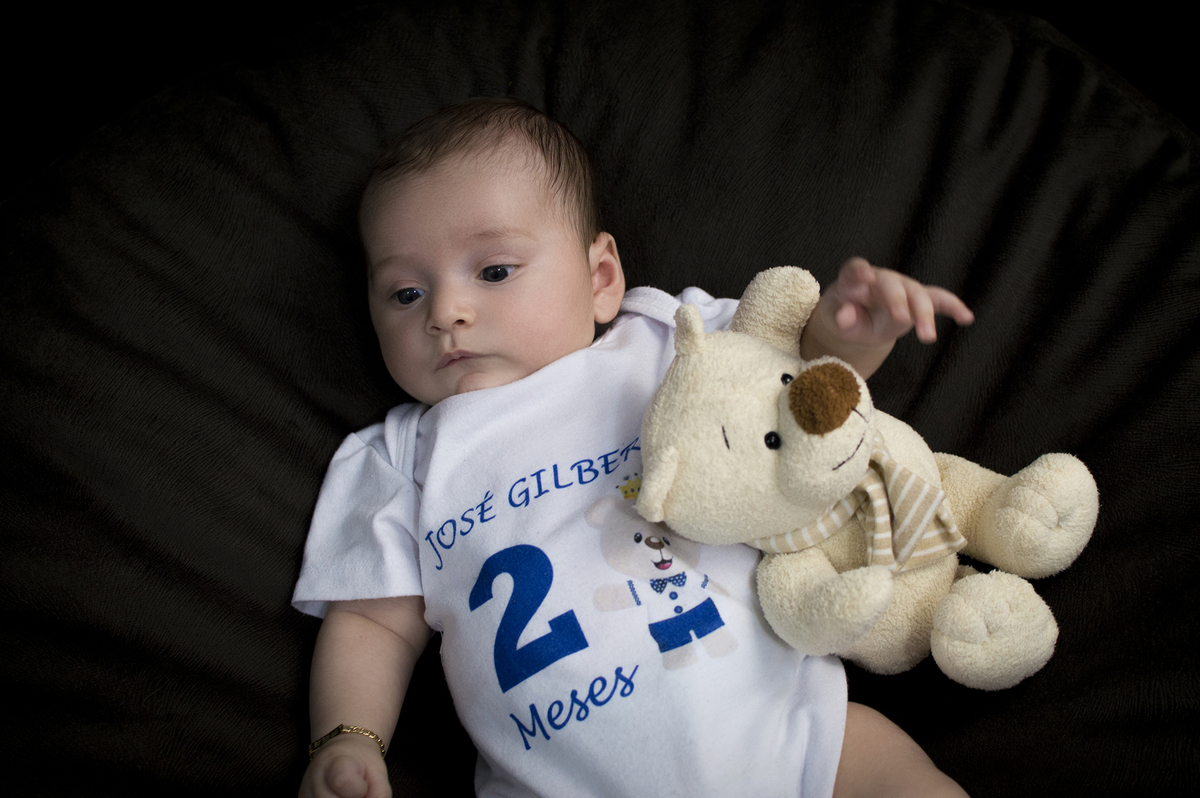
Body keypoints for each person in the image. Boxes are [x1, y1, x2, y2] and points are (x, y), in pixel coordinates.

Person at [293, 97, 974, 798]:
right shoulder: (400, 459)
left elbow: (795, 392)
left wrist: (851, 336)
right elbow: (373, 620)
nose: (444, 313)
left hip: (795, 736)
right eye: (404, 293)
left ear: (600, 280)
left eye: (494, 271)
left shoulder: (665, 341)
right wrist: (349, 736)